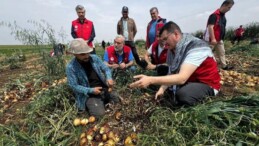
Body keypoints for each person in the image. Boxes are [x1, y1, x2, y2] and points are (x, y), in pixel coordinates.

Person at [130, 21, 221, 106]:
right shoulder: (172, 49)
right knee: (164, 74)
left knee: (184, 95)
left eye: (166, 39)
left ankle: (206, 98)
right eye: (162, 40)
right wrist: (162, 89)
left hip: (206, 83)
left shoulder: (196, 47)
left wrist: (150, 80)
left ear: (176, 34)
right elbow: (172, 71)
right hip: (190, 80)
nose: (164, 44)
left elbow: (182, 78)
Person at [66, 38, 119, 117]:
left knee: (117, 100)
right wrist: (91, 90)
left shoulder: (94, 58)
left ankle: (103, 101)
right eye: (83, 54)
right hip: (89, 94)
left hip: (103, 89)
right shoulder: (71, 67)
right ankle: (93, 104)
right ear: (75, 54)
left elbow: (106, 69)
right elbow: (74, 86)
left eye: (87, 53)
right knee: (99, 114)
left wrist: (109, 78)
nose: (87, 56)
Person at [204, 0, 234, 70]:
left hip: (219, 39)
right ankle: (211, 68)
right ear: (224, 5)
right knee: (208, 54)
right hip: (211, 40)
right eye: (229, 7)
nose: (229, 10)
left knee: (222, 52)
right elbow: (210, 27)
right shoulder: (214, 15)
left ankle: (224, 66)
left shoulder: (223, 17)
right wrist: (213, 38)